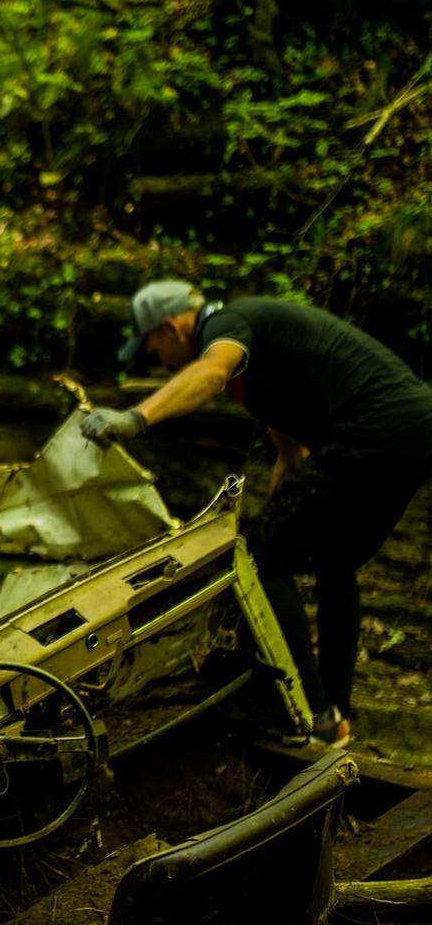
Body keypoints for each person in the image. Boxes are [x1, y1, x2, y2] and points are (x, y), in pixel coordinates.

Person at [81, 279, 432, 744]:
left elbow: (210, 374)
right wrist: (268, 518)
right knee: (334, 560)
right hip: (415, 432)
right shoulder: (261, 364)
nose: (157, 361)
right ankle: (333, 717)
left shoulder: (226, 325)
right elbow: (291, 456)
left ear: (170, 327)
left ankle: (308, 709)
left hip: (374, 430)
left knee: (265, 559)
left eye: (152, 348)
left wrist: (136, 418)